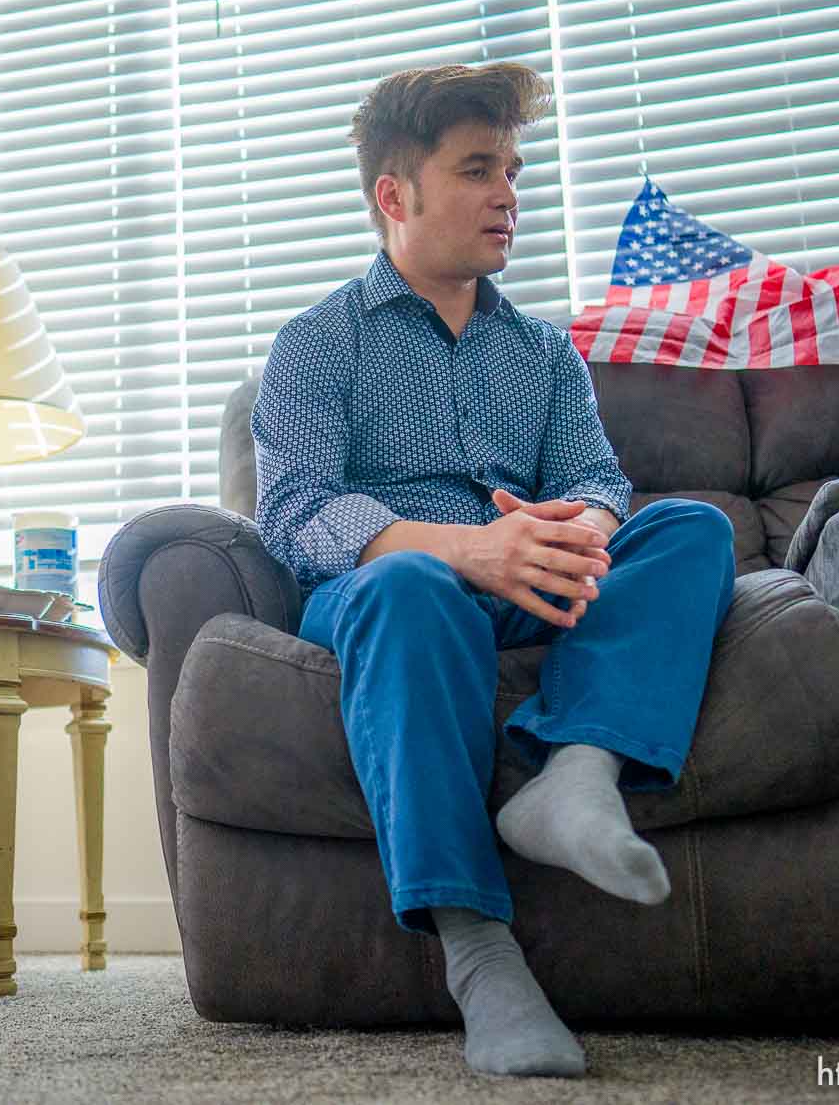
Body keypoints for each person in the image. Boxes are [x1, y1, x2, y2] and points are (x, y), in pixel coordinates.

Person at [251, 62, 736, 1080]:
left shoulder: (545, 354)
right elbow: (296, 512)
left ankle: (577, 777)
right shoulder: (315, 343)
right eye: (478, 169)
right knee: (412, 586)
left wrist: (575, 525)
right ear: (397, 194)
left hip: (530, 592)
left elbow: (599, 477)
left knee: (689, 528)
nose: (510, 192)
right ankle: (480, 956)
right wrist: (470, 547)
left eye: (514, 167)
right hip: (390, 596)